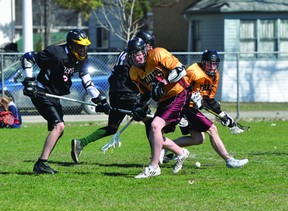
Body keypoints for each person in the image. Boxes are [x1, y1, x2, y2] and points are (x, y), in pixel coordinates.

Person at [21, 29, 110, 174]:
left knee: (58, 130)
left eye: (85, 46)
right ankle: (41, 163)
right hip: (42, 92)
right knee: (59, 126)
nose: (83, 49)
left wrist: (99, 99)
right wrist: (29, 81)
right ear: (71, 45)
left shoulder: (82, 59)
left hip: (55, 96)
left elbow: (87, 82)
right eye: (79, 46)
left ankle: (42, 163)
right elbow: (27, 58)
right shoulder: (56, 53)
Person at [70, 31, 156, 163]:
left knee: (112, 127)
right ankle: (158, 154)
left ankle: (81, 143)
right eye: (148, 45)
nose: (150, 49)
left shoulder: (127, 53)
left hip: (117, 92)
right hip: (126, 93)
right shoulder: (134, 56)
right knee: (151, 122)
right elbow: (133, 76)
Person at [163, 50, 249, 168]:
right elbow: (178, 89)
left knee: (198, 139)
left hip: (192, 109)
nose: (212, 66)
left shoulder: (215, 75)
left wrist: (222, 114)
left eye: (214, 64)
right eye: (209, 63)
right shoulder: (193, 71)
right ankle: (229, 160)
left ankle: (165, 146)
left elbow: (209, 99)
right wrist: (189, 98)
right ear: (203, 62)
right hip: (185, 107)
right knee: (212, 129)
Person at [128, 37, 191, 178]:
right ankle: (181, 153)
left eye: (139, 54)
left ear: (145, 51)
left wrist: (164, 82)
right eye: (134, 55)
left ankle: (154, 167)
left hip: (179, 92)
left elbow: (181, 70)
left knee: (155, 126)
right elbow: (145, 94)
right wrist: (139, 108)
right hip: (165, 99)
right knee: (153, 134)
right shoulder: (134, 72)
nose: (137, 58)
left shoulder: (158, 54)